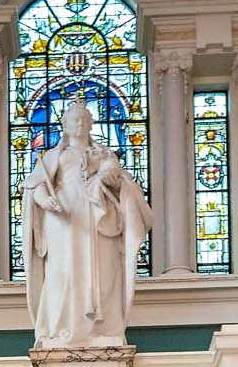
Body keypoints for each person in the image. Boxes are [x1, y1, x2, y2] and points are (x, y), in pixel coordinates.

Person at [21, 100, 152, 348]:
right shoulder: (54, 156)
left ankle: (102, 328)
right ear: (65, 125)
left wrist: (108, 176)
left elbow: (120, 180)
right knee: (64, 271)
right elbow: (34, 184)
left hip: (97, 215)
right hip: (64, 218)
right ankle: (62, 328)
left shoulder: (103, 153)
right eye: (74, 120)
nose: (79, 124)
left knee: (102, 270)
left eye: (84, 120)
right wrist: (44, 199)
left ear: (91, 123)